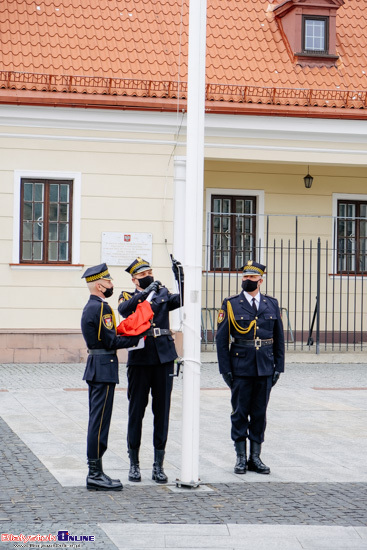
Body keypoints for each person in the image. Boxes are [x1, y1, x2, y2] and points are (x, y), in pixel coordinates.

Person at [81, 263, 151, 491]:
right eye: (109, 282)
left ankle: (97, 471)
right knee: (99, 423)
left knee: (99, 421)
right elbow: (110, 341)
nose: (112, 285)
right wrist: (137, 338)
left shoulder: (95, 306)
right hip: (103, 369)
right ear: (100, 285)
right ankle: (94, 474)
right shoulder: (100, 308)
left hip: (100, 367)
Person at [118, 256, 184, 484]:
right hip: (140, 359)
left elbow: (183, 299)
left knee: (162, 411)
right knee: (136, 411)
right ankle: (134, 463)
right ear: (135, 279)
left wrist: (181, 278)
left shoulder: (164, 294)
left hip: (163, 357)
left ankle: (158, 464)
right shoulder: (129, 296)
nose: (149, 277)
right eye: (143, 275)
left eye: (150, 273)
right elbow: (124, 311)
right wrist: (145, 293)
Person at [216, 260, 284, 475]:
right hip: (240, 366)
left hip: (264, 366)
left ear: (260, 280)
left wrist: (278, 367)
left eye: (252, 278)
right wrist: (225, 369)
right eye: (245, 277)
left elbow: (279, 338)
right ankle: (241, 457)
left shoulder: (271, 304)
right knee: (239, 412)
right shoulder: (231, 304)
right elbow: (221, 340)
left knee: (259, 413)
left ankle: (255, 456)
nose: (247, 280)